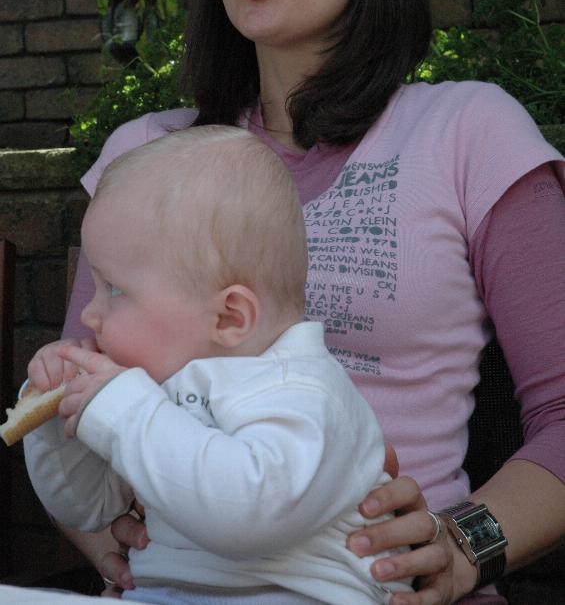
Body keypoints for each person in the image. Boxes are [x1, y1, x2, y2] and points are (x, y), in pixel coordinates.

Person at [27, 0, 565, 605]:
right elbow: (73, 396)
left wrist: (462, 543)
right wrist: (96, 530)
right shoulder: (147, 154)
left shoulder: (466, 130)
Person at [24, 125, 413, 605]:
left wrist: (126, 413)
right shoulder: (158, 389)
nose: (89, 313)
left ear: (230, 317)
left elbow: (248, 513)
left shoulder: (305, 392)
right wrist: (58, 421)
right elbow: (87, 506)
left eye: (116, 290)